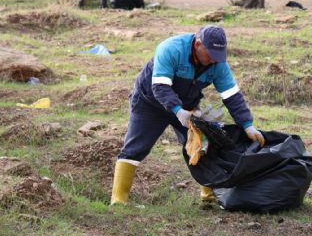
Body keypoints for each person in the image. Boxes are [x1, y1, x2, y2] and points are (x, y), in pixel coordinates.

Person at [110, 25, 265, 205]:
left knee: (203, 147)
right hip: (149, 103)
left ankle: (209, 196)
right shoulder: (171, 49)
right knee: (135, 148)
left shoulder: (218, 63)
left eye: (218, 56)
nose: (214, 61)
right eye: (210, 55)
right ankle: (118, 200)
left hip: (187, 106)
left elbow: (232, 96)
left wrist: (247, 125)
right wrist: (178, 111)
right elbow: (160, 86)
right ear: (198, 44)